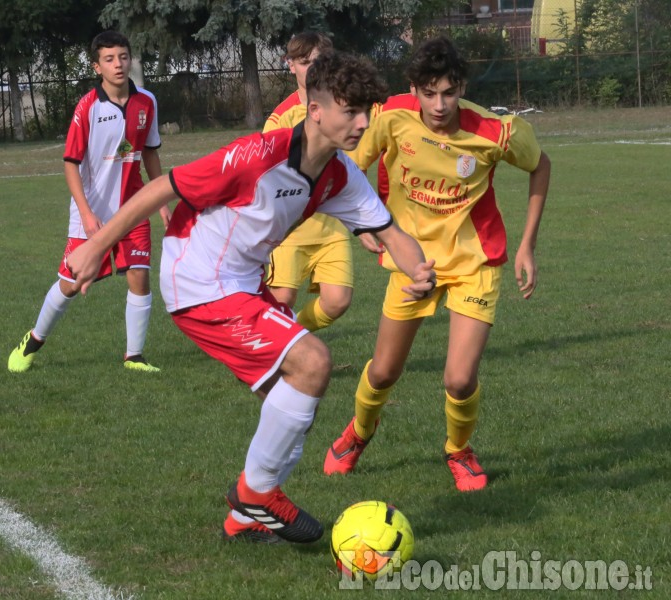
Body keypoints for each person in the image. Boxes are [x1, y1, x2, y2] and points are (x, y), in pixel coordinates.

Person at [65, 50, 436, 543]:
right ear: (316, 110)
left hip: (241, 281)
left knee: (291, 405)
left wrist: (419, 271)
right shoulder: (258, 156)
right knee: (312, 363)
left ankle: (243, 520)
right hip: (196, 276)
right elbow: (164, 188)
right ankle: (256, 494)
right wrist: (96, 245)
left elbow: (389, 232)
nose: (363, 122)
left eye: (367, 110)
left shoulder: (341, 174)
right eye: (351, 110)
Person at [324, 36, 551, 492]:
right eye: (429, 93)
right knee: (385, 370)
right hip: (413, 263)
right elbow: (348, 166)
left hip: (475, 261)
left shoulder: (495, 131)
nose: (440, 104)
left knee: (460, 377)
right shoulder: (390, 117)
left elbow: (540, 165)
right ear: (414, 88)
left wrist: (527, 244)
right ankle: (358, 434)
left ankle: (459, 451)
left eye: (449, 92)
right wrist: (365, 226)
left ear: (461, 87)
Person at [7, 31, 170, 374]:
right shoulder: (88, 107)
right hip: (92, 212)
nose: (118, 64)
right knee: (71, 283)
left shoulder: (147, 102)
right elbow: (70, 163)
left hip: (133, 206)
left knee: (140, 275)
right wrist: (86, 212)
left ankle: (134, 357)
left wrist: (162, 202)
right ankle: (34, 339)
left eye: (123, 57)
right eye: (109, 59)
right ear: (97, 66)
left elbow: (150, 155)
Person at [263, 32, 354, 332]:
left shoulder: (343, 108)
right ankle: (269, 356)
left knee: (338, 301)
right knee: (282, 298)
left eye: (318, 61)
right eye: (304, 62)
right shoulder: (280, 118)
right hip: (291, 229)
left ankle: (294, 334)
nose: (311, 68)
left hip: (332, 227)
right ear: (290, 66)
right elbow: (267, 174)